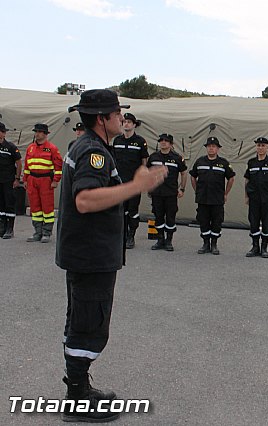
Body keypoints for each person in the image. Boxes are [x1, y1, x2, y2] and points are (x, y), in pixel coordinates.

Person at [56, 89, 167, 422]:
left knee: (82, 321)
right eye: (117, 113)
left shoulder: (91, 146)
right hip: (91, 256)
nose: (122, 117)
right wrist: (138, 186)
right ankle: (77, 398)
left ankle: (77, 388)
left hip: (85, 254)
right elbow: (86, 200)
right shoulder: (93, 151)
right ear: (102, 118)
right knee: (90, 325)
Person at [189, 136, 235, 255]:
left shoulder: (223, 163)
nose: (211, 148)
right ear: (206, 148)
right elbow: (193, 176)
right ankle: (205, 244)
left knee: (216, 222)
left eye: (213, 146)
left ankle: (214, 244)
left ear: (218, 149)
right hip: (203, 198)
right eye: (209, 146)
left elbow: (231, 178)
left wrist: (226, 193)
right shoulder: (200, 161)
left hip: (217, 199)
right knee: (203, 221)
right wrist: (197, 190)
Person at [112, 112, 149, 249]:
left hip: (134, 183)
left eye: (129, 122)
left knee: (132, 210)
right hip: (120, 182)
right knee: (120, 210)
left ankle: (131, 235)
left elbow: (144, 161)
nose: (126, 124)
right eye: (124, 121)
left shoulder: (140, 141)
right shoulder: (117, 141)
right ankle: (121, 235)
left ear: (134, 125)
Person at [23, 123, 63, 243]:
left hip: (46, 180)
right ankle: (37, 232)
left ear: (45, 134)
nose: (37, 134)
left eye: (39, 132)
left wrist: (56, 180)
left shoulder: (52, 148)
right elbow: (26, 166)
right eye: (36, 132)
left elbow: (58, 166)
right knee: (35, 208)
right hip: (32, 180)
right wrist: (25, 179)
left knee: (47, 207)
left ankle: (46, 232)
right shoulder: (30, 148)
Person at [244, 136, 268, 258]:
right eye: (258, 145)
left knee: (267, 223)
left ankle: (264, 248)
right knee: (254, 222)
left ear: (267, 147)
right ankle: (255, 247)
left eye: (263, 146)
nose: (260, 148)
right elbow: (246, 180)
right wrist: (246, 196)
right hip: (254, 198)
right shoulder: (251, 162)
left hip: (267, 198)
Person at [148, 133, 187, 251]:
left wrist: (182, 188)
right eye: (161, 140)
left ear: (171, 144)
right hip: (157, 192)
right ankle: (160, 240)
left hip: (170, 193)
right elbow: (147, 172)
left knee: (170, 217)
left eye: (166, 141)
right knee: (158, 216)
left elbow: (184, 173)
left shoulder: (177, 158)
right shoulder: (153, 157)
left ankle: (169, 240)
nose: (163, 142)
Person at [0, 122, 22, 239]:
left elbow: (18, 163)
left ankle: (10, 228)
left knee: (9, 203)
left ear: (3, 133)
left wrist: (17, 179)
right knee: (1, 204)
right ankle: (2, 227)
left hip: (8, 180)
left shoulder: (11, 147)